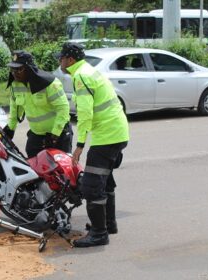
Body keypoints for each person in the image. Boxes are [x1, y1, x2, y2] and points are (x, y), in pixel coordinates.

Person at [56, 42, 129, 248]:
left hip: (107, 136)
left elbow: (85, 113)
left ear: (70, 59)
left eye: (61, 58)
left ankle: (99, 233)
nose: (60, 61)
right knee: (105, 181)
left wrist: (79, 145)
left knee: (91, 185)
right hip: (116, 132)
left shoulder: (81, 76)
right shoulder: (89, 71)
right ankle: (108, 223)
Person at [3, 50, 72, 158]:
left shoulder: (50, 83)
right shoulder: (15, 85)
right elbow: (15, 109)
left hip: (58, 134)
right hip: (37, 134)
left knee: (61, 170)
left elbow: (63, 109)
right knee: (34, 166)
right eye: (13, 69)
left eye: (19, 69)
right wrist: (10, 128)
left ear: (29, 69)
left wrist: (55, 134)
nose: (14, 73)